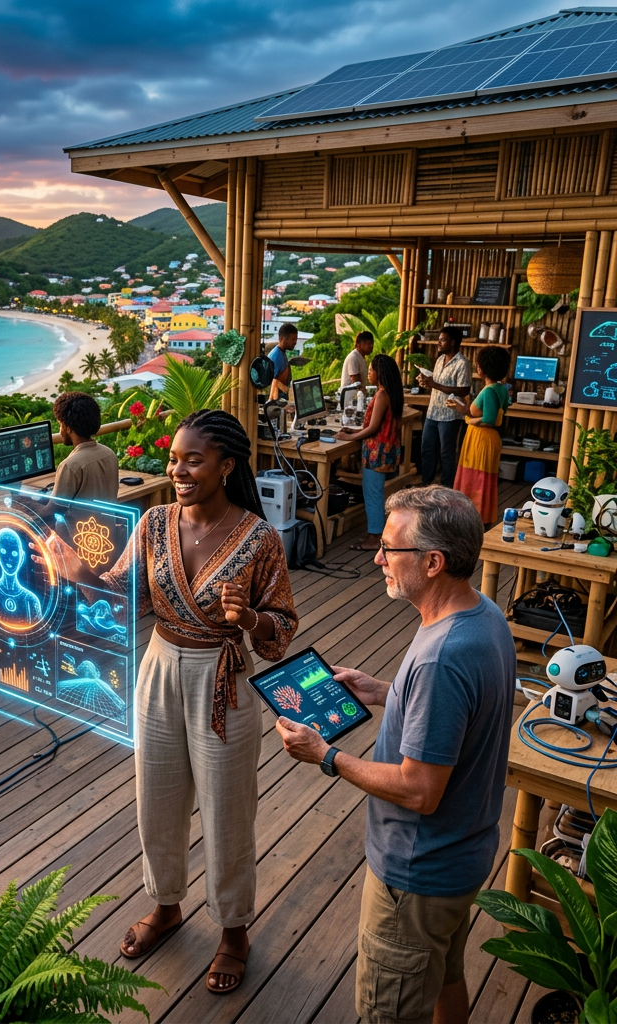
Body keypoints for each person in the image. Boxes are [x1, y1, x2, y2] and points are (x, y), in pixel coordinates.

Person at [43, 410, 298, 994]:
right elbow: (126, 596)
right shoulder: (154, 522)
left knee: (228, 810)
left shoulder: (257, 538)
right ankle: (165, 904)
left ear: (226, 466)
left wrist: (251, 617)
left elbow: (283, 629)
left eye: (193, 459)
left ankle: (233, 928)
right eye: (174, 458)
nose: (177, 470)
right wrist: (79, 573)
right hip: (158, 665)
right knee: (155, 798)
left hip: (223, 677)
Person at [276, 487, 514, 1024]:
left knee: (390, 1008)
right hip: (464, 854)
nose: (378, 558)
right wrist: (385, 691)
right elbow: (459, 711)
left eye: (390, 549)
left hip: (418, 872)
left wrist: (326, 755)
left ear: (433, 562)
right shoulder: (484, 617)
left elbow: (419, 791)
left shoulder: (442, 658)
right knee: (444, 975)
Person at [335, 354, 403, 551]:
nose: (369, 373)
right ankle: (376, 533)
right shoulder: (391, 392)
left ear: (379, 373)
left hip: (377, 453)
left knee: (372, 495)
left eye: (371, 370)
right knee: (375, 493)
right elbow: (378, 425)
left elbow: (373, 428)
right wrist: (355, 431)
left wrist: (350, 437)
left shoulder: (382, 395)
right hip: (386, 450)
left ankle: (375, 538)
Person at [454, 345, 512, 526]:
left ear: (481, 368)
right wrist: (466, 410)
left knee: (475, 477)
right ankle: (479, 516)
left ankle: (471, 518)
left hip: (481, 439)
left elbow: (489, 419)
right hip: (489, 439)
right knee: (484, 478)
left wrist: (470, 420)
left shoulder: (488, 390)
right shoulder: (502, 388)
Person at [418, 326, 471, 487]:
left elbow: (464, 389)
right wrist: (426, 381)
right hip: (432, 412)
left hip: (450, 415)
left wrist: (434, 384)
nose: (438, 343)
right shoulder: (440, 359)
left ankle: (446, 487)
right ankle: (426, 484)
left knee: (446, 453)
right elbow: (437, 383)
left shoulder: (462, 363)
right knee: (427, 449)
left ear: (453, 342)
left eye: (442, 340)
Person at [51, 391, 119, 502]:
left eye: (60, 425)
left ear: (67, 427)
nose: (60, 431)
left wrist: (28, 503)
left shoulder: (70, 465)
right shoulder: (109, 453)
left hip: (79, 520)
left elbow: (52, 510)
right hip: (106, 520)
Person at [267, 322, 298, 400]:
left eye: (296, 339)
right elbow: (273, 383)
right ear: (282, 339)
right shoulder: (276, 356)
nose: (295, 342)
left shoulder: (281, 353)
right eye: (293, 339)